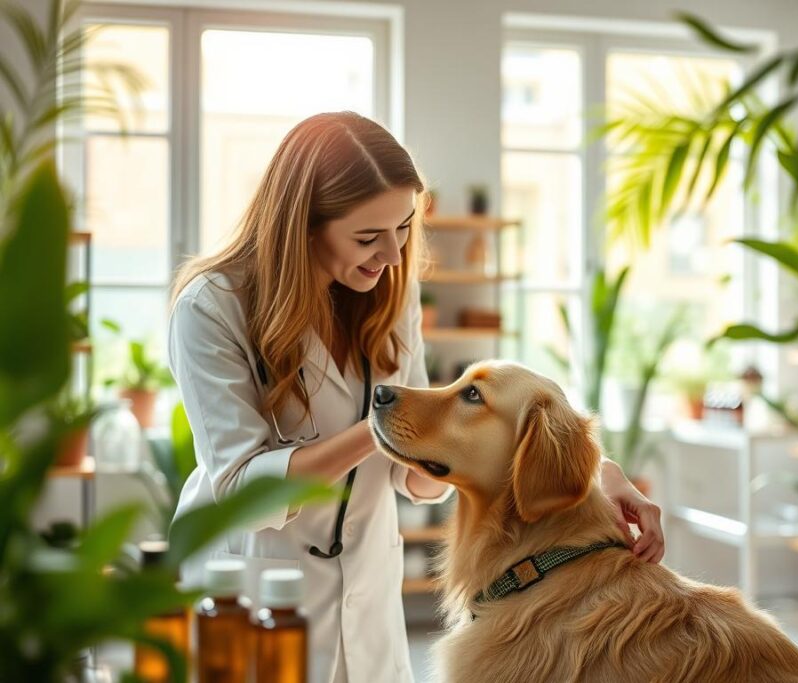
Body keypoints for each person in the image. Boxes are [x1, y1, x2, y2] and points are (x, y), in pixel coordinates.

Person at [168, 111, 664, 683]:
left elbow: (420, 473)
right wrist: (381, 430)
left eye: (404, 227)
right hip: (253, 593)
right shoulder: (213, 305)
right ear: (303, 224)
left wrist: (592, 472)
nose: (394, 254)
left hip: (368, 597)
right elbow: (240, 490)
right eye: (367, 236)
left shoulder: (389, 292)